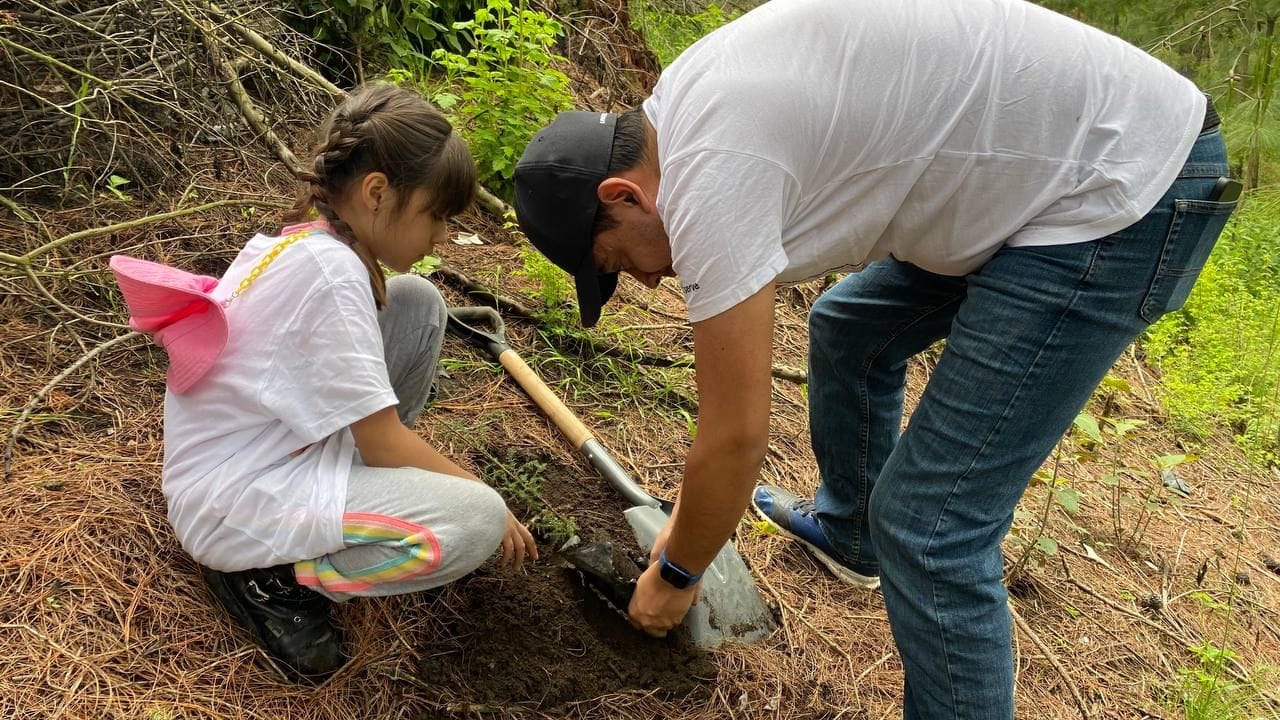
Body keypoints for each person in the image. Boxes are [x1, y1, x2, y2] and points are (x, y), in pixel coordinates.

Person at [510, 0, 1238, 716]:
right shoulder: (686, 112)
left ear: (623, 194)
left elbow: (734, 438)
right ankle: (854, 533)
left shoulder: (710, 175)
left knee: (931, 528)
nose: (641, 280)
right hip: (1028, 179)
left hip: (1118, 190)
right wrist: (691, 527)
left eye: (615, 262)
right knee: (849, 325)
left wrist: (674, 572)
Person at [110, 83, 538, 684]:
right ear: (378, 193)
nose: (441, 235)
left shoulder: (309, 242)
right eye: (436, 215)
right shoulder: (334, 275)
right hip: (235, 502)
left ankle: (365, 506)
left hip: (265, 454)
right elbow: (385, 439)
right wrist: (491, 501)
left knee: (416, 303)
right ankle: (273, 581)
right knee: (476, 521)